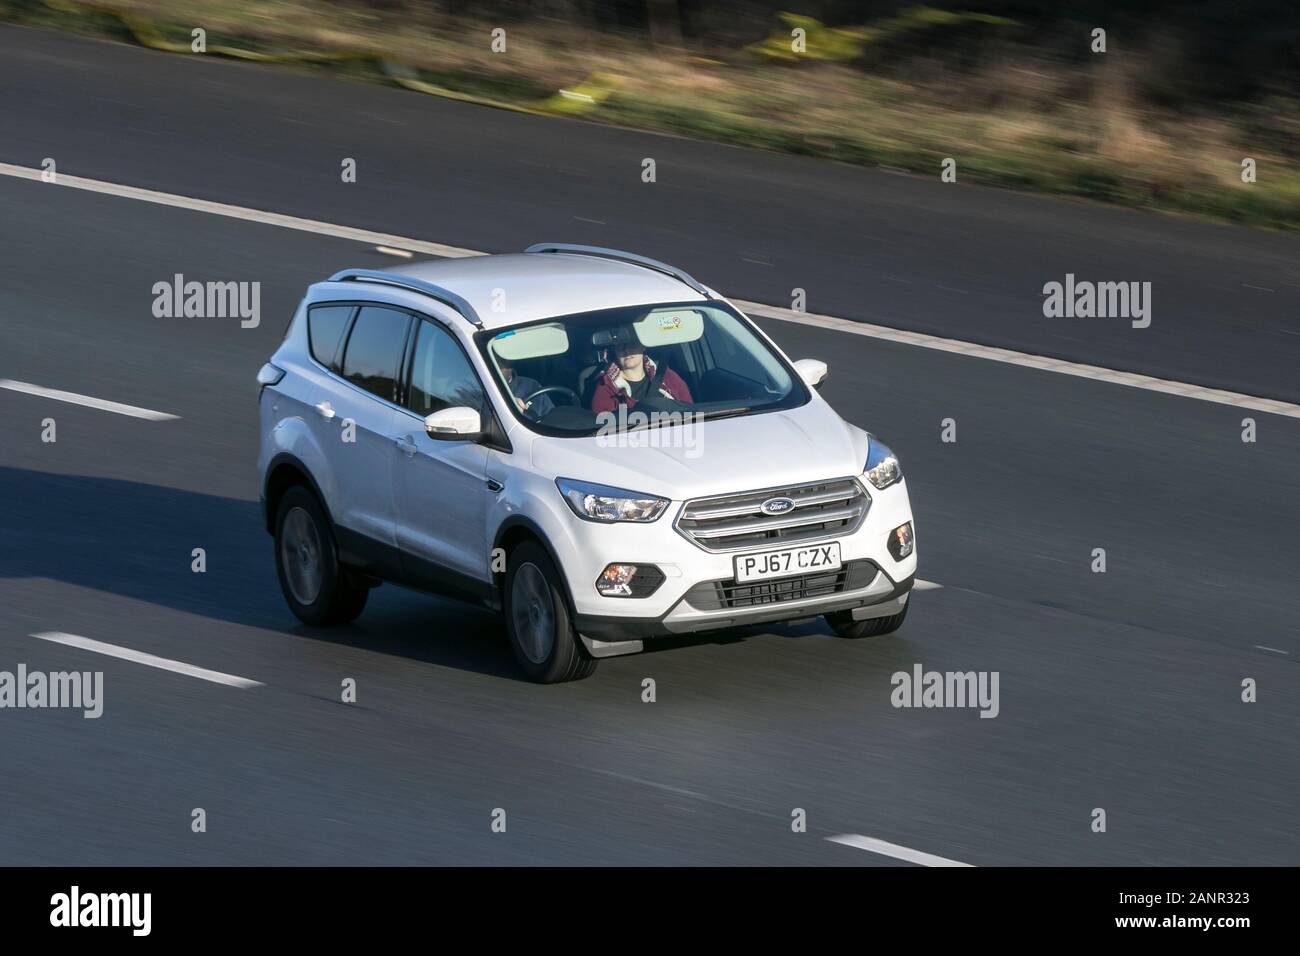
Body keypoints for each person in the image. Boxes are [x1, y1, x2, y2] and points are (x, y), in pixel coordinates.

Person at [590, 340, 692, 414]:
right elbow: (602, 428)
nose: (627, 350)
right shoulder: (606, 386)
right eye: (620, 345)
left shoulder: (666, 375)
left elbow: (689, 410)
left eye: (632, 344)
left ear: (643, 346)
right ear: (614, 351)